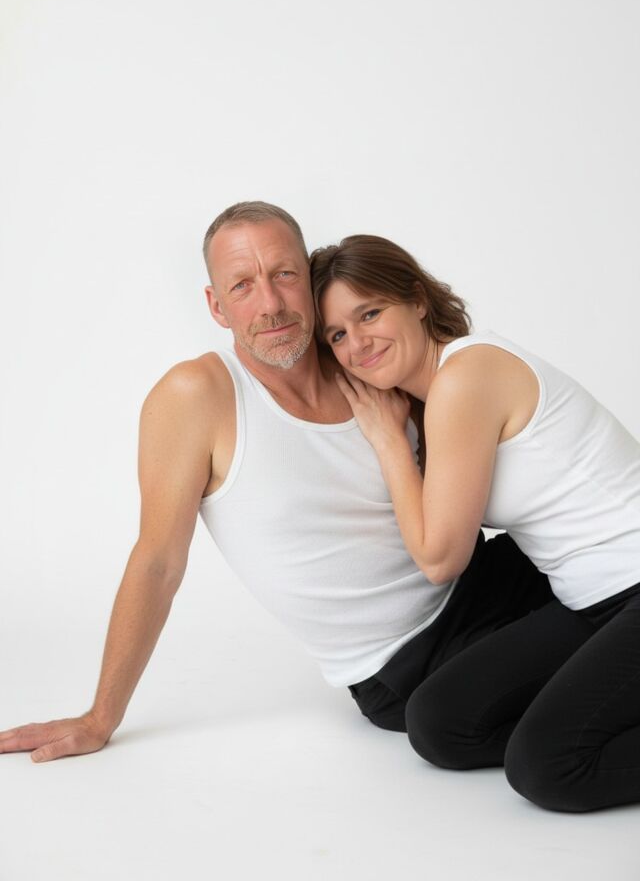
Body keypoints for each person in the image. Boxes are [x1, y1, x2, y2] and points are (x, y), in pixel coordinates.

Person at [0, 203, 553, 766]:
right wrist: (101, 717)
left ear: (309, 280)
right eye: (242, 285)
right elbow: (158, 562)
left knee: (600, 588)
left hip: (496, 577)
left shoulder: (359, 355)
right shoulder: (197, 396)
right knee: (505, 728)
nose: (270, 304)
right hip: (407, 663)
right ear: (216, 305)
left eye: (284, 274)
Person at [310, 233, 640, 813]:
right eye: (337, 334)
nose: (357, 343)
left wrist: (389, 443)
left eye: (370, 313)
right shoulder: (433, 400)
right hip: (591, 602)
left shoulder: (467, 376)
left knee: (548, 766)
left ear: (417, 299)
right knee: (441, 723)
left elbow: (441, 558)